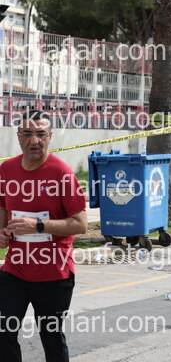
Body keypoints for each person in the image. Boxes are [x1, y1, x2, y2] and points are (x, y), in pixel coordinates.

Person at [0, 110, 87, 362]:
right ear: (18, 136)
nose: (34, 140)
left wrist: (38, 226)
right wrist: (2, 230)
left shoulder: (62, 174)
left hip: (53, 272)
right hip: (15, 269)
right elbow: (3, 205)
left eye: (40, 134)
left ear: (50, 137)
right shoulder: (6, 169)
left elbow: (80, 224)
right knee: (3, 330)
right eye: (27, 133)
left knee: (51, 337)